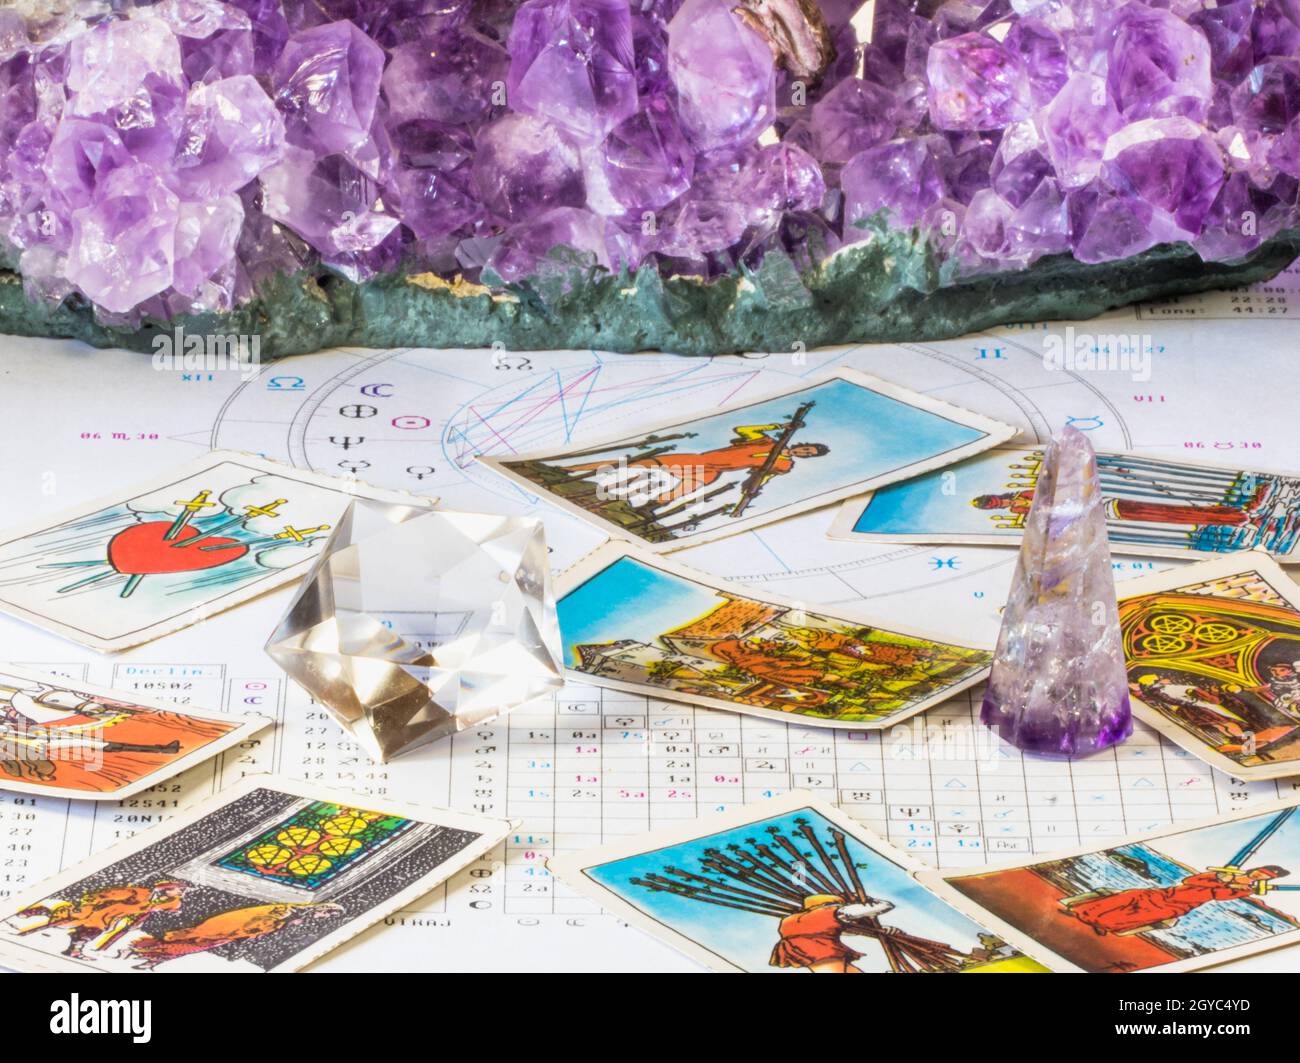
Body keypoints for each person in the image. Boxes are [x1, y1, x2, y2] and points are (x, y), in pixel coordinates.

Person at [565, 424, 830, 506]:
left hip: (714, 472)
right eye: (806, 448)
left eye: (807, 454)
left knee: (682, 491)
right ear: (802, 443)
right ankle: (574, 470)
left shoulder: (785, 465)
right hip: (700, 459)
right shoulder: (767, 440)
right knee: (638, 464)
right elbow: (743, 428)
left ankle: (649, 508)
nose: (803, 452)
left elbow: (765, 476)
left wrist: (753, 488)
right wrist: (777, 427)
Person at [1065, 866, 1288, 935]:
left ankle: (1101, 924)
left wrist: (1240, 888)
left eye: (1265, 877)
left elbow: (1218, 896)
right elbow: (1191, 879)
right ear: (1256, 869)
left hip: (1180, 906)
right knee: (1129, 897)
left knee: (1144, 915)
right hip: (1166, 894)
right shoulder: (1224, 873)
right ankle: (1082, 912)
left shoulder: (1243, 889)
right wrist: (1221, 878)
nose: (1259, 877)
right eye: (1260, 873)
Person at [126, 901, 345, 969]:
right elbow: (259, 920)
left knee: (196, 945)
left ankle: (146, 957)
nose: (322, 917)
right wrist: (252, 932)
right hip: (232, 927)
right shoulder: (290, 910)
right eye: (326, 914)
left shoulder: (298, 915)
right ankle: (142, 953)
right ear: (324, 909)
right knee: (193, 940)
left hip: (237, 932)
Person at [16, 880, 186, 959]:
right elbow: (109, 895)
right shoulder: (140, 893)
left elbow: (172, 907)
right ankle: (40, 910)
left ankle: (74, 951)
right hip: (95, 912)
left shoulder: (162, 901)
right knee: (64, 922)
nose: (181, 893)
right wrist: (92, 901)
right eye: (179, 890)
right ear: (167, 889)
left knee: (88, 933)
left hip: (108, 919)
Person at [769, 894, 898, 973]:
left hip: (803, 951)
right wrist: (867, 900)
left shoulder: (792, 919)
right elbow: (885, 906)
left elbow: (841, 930)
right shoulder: (829, 912)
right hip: (820, 951)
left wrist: (880, 930)